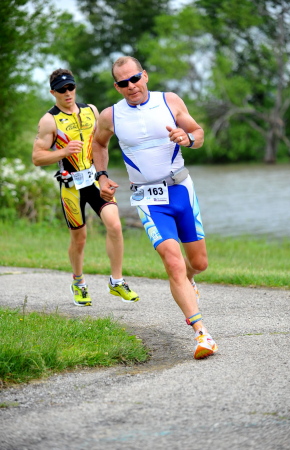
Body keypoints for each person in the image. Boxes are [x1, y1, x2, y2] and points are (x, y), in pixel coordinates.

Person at [91, 56, 218, 359]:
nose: (131, 86)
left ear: (144, 76)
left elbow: (198, 134)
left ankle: (189, 279)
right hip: (148, 198)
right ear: (117, 86)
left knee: (198, 264)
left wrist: (186, 138)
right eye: (123, 82)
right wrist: (102, 176)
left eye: (135, 78)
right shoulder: (111, 116)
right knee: (172, 262)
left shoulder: (169, 101)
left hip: (181, 190)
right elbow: (98, 144)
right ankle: (201, 334)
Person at [32, 68, 139, 306]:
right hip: (70, 186)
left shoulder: (91, 110)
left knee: (115, 225)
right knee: (79, 239)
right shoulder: (49, 120)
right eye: (61, 90)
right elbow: (37, 157)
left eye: (70, 87)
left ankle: (117, 281)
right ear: (53, 92)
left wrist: (103, 175)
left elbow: (101, 144)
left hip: (94, 180)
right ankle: (79, 283)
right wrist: (63, 151)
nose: (67, 93)